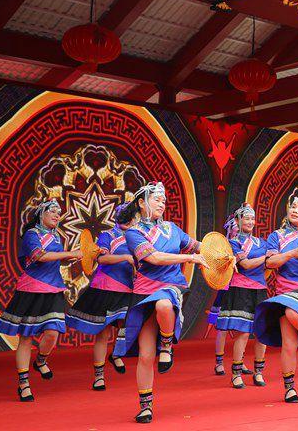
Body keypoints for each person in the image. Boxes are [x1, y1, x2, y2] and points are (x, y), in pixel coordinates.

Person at [113, 182, 206, 424]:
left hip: (170, 286)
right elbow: (153, 258)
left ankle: (166, 343)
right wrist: (190, 258)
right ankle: (145, 406)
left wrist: (221, 254)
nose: (162, 203)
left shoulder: (173, 229)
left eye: (164, 200)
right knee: (145, 356)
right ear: (142, 203)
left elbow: (197, 246)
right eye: (156, 199)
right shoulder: (133, 233)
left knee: (164, 305)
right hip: (144, 293)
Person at [0, 200, 82, 402]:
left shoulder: (55, 236)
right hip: (32, 289)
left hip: (53, 289)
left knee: (52, 333)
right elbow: (39, 256)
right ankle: (24, 383)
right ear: (41, 214)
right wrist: (70, 253)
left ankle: (41, 360)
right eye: (52, 211)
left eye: (58, 212)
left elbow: (56, 259)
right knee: (26, 338)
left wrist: (76, 257)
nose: (56, 215)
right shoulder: (31, 234)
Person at [253, 189, 298, 403]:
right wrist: (292, 253)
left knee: (293, 313)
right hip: (285, 290)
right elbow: (270, 263)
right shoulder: (277, 236)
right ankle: (289, 387)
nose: (296, 210)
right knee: (289, 343)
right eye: (293, 207)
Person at [66, 203, 134, 390]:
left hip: (129, 288)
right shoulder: (108, 236)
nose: (130, 219)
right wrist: (126, 258)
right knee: (103, 334)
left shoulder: (138, 236)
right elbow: (101, 259)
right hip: (107, 287)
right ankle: (99, 376)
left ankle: (116, 354)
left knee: (128, 325)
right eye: (126, 216)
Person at [215, 203, 269, 388]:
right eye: (246, 218)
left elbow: (270, 264)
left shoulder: (262, 242)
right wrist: (266, 258)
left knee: (261, 332)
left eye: (253, 219)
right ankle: (236, 373)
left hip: (260, 288)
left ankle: (259, 372)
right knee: (243, 333)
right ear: (238, 220)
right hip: (240, 289)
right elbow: (245, 265)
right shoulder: (233, 242)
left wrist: (267, 259)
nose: (250, 222)